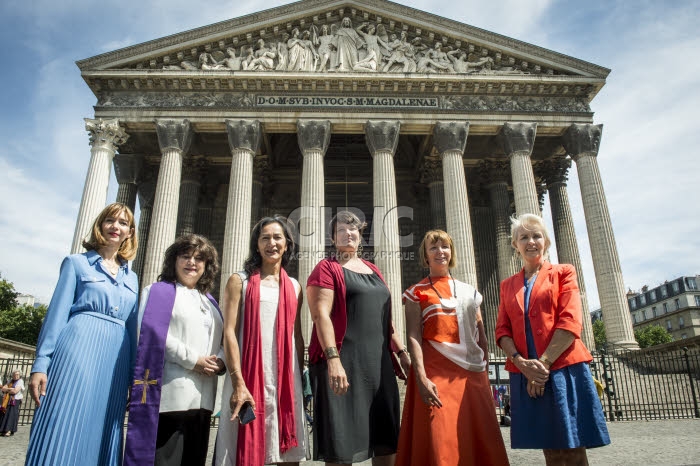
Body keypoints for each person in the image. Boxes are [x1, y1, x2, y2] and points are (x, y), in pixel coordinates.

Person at [25, 202, 138, 466]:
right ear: (101, 225)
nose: (116, 227)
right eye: (110, 221)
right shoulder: (76, 263)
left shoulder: (131, 277)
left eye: (123, 223)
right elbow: (56, 316)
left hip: (115, 361)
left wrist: (134, 377)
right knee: (63, 418)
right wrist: (41, 364)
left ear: (130, 232)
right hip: (77, 349)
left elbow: (133, 330)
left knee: (102, 426)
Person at [495, 213, 610, 465]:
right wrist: (523, 364)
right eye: (523, 237)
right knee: (550, 449)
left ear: (546, 241)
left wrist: (541, 366)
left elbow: (570, 322)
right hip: (525, 373)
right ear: (515, 245)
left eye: (536, 235)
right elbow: (502, 331)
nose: (531, 241)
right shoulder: (507, 285)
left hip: (562, 368)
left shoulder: (563, 273)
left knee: (572, 448)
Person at [396, 230, 509, 466]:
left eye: (444, 246)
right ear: (425, 256)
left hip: (472, 376)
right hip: (435, 374)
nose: (440, 252)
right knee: (440, 438)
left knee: (479, 438)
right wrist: (421, 376)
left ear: (452, 252)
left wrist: (484, 371)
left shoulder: (470, 292)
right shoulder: (416, 292)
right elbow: (414, 336)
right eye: (433, 248)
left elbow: (482, 336)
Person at [307, 210, 410, 466]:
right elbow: (321, 315)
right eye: (341, 230)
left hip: (378, 365)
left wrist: (403, 355)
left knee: (385, 440)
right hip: (344, 363)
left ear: (361, 236)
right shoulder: (326, 268)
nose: (348, 233)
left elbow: (387, 321)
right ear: (333, 238)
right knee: (342, 444)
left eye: (353, 229)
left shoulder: (374, 269)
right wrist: (333, 360)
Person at [214, 216, 308, 466]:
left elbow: (296, 336)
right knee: (242, 446)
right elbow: (230, 332)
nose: (271, 243)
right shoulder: (239, 281)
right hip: (247, 376)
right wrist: (237, 381)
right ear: (256, 245)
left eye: (278, 237)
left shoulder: (295, 287)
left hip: (286, 380)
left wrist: (300, 378)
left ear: (287, 244)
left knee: (287, 452)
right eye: (265, 238)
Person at [123, 234, 223, 466]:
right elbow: (152, 335)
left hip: (203, 398)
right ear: (174, 260)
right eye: (185, 256)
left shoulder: (209, 302)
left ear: (207, 266)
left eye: (199, 258)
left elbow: (222, 340)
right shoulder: (157, 292)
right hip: (170, 394)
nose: (192, 262)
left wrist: (220, 362)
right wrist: (194, 360)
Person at [0, 370, 24, 437]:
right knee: (4, 413)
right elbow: (3, 388)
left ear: (20, 375)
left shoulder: (20, 381)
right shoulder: (10, 381)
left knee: (11, 415)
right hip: (7, 399)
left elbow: (15, 391)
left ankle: (9, 430)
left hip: (15, 400)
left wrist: (8, 390)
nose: (16, 376)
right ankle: (3, 430)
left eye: (17, 374)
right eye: (14, 374)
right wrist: (10, 389)